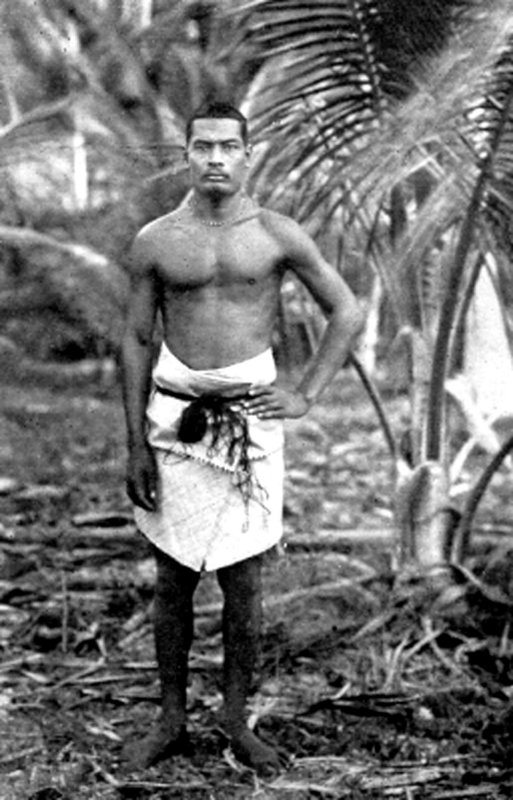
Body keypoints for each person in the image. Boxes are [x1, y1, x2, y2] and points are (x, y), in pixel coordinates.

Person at [121, 100, 363, 775]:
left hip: (251, 419)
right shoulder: (158, 239)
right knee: (170, 577)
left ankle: (233, 720)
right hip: (175, 416)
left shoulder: (277, 235)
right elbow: (137, 338)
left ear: (248, 151)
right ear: (187, 153)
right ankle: (170, 719)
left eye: (229, 146)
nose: (216, 158)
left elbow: (344, 309)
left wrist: (307, 392)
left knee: (243, 581)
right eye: (203, 146)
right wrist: (134, 441)